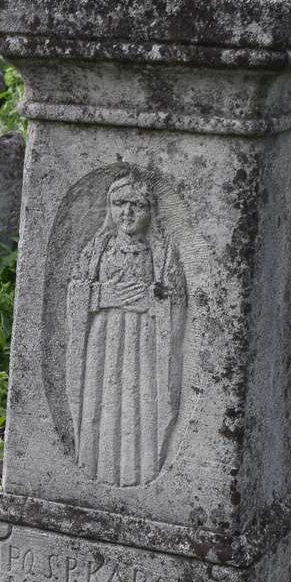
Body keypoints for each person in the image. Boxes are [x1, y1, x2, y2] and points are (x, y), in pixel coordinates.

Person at [66, 174, 187, 486]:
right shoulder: (99, 247)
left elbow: (175, 299)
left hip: (143, 340)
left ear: (151, 211)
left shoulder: (160, 252)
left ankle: (143, 472)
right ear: (110, 208)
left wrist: (150, 299)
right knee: (101, 399)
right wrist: (103, 295)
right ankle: (95, 468)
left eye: (137, 205)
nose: (127, 213)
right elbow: (76, 292)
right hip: (103, 340)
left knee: (141, 401)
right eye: (119, 204)